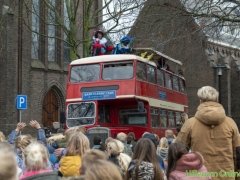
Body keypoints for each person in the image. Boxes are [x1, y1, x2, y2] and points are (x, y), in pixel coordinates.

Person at [176, 86, 240, 180]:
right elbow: (238, 154)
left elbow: (177, 152)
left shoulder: (190, 124)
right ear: (217, 100)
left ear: (200, 101)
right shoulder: (230, 123)